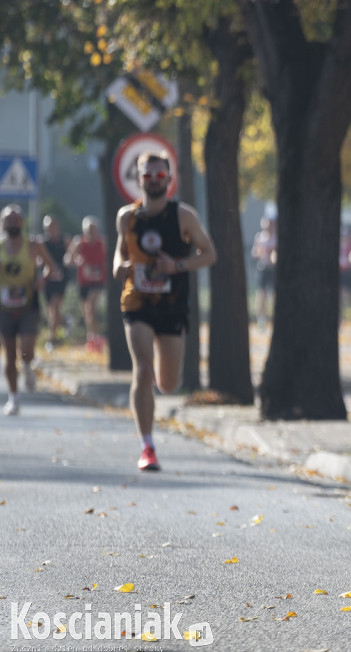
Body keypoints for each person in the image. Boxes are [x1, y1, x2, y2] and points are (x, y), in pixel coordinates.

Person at [113, 151, 217, 471]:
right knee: (143, 369)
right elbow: (118, 255)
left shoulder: (183, 216)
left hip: (173, 305)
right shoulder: (126, 218)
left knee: (168, 384)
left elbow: (209, 254)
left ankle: (157, 388)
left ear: (169, 180)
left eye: (161, 176)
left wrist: (177, 265)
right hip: (137, 302)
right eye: (148, 176)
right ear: (139, 179)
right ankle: (147, 446)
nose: (154, 181)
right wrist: (121, 268)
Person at [0, 205, 63, 415]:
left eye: (16, 220)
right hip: (4, 306)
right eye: (8, 221)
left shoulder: (34, 246)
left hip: (28, 303)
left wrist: (41, 281)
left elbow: (51, 267)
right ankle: (14, 398)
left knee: (26, 348)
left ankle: (27, 366)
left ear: (22, 223)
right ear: (2, 224)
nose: (12, 224)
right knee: (9, 356)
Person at [64, 215, 108, 351]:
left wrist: (103, 267)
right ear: (84, 231)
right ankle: (92, 338)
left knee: (90, 306)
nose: (91, 233)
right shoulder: (78, 243)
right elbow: (67, 260)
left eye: (94, 230)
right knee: (87, 312)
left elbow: (111, 259)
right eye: (89, 230)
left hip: (98, 281)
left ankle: (97, 337)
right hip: (83, 282)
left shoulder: (103, 243)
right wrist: (76, 261)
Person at [39, 215, 70, 350]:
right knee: (50, 311)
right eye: (48, 227)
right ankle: (66, 322)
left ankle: (52, 339)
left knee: (55, 306)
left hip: (61, 281)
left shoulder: (64, 241)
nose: (51, 229)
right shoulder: (42, 243)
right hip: (47, 281)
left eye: (53, 226)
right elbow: (38, 260)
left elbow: (71, 256)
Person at [250, 215, 277, 327]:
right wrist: (259, 252)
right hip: (263, 267)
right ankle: (261, 318)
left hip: (273, 268)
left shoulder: (276, 238)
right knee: (261, 293)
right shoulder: (260, 237)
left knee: (273, 293)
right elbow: (254, 252)